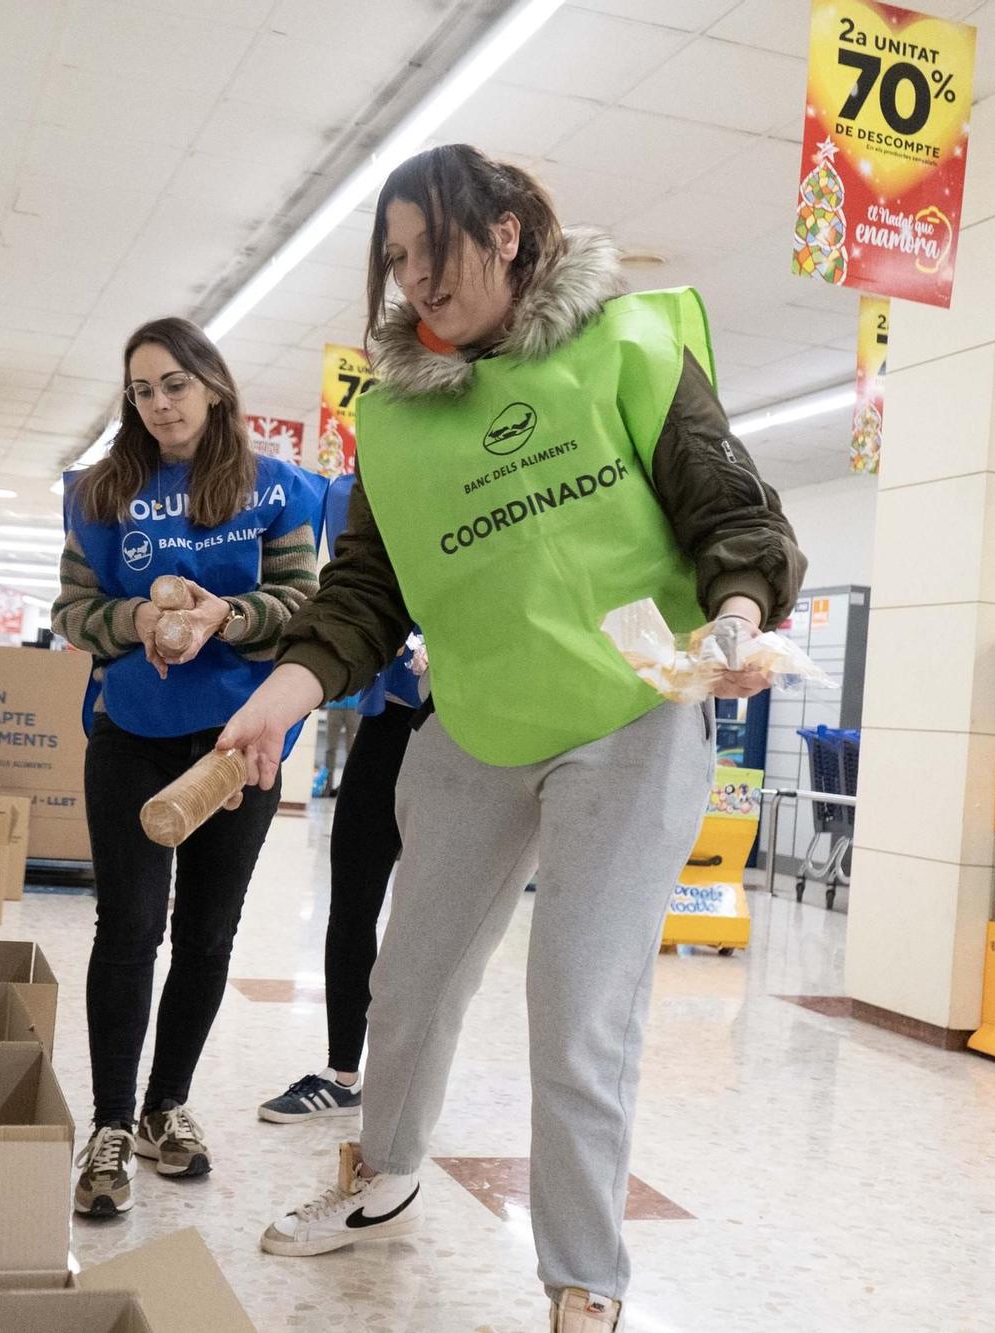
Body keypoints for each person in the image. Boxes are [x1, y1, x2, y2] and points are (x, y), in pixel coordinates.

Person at [216, 145, 806, 1332]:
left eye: (428, 246)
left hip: (630, 718)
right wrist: (285, 691)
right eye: (392, 259)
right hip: (478, 722)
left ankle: (582, 1279)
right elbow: (366, 595)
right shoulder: (392, 419)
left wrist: (735, 616)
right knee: (410, 976)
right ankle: (382, 1173)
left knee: (576, 1006)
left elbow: (729, 510)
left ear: (503, 234)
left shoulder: (628, 345)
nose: (411, 278)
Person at [52, 316, 322, 1219]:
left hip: (238, 741)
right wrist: (133, 622)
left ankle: (169, 1105)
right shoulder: (101, 493)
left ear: (213, 384)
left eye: (174, 383)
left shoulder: (274, 489)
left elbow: (301, 606)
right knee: (128, 928)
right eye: (142, 389)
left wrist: (225, 617)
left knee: (209, 933)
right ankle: (112, 1124)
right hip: (131, 733)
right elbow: (72, 609)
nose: (160, 403)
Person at [258, 470, 425, 1125]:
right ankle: (342, 1073)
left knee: (428, 920)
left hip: (469, 730)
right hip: (391, 719)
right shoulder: (370, 489)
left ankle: (406, 1078)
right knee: (353, 892)